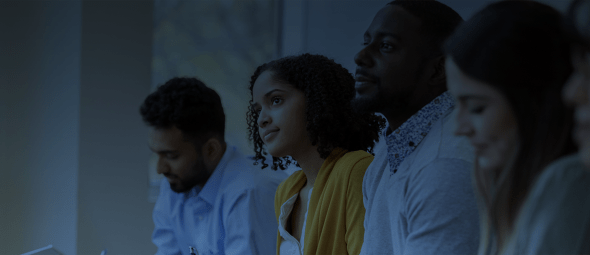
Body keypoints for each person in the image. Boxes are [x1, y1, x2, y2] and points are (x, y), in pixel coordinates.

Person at [444, 1, 582, 254]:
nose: (459, 128)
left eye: (476, 108)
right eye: (456, 105)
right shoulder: (495, 185)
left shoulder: (570, 184)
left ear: (535, 104)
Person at [352, 1, 479, 254]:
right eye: (366, 42)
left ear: (438, 69)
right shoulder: (387, 154)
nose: (361, 56)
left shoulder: (446, 163)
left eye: (386, 46)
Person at [247, 53, 385, 255]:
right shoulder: (286, 192)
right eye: (257, 110)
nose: (262, 120)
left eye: (276, 100)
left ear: (317, 99)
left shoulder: (356, 169)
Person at [140, 77, 284, 255]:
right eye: (157, 154)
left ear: (211, 150)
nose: (161, 169)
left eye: (171, 156)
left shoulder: (248, 193)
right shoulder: (175, 186)